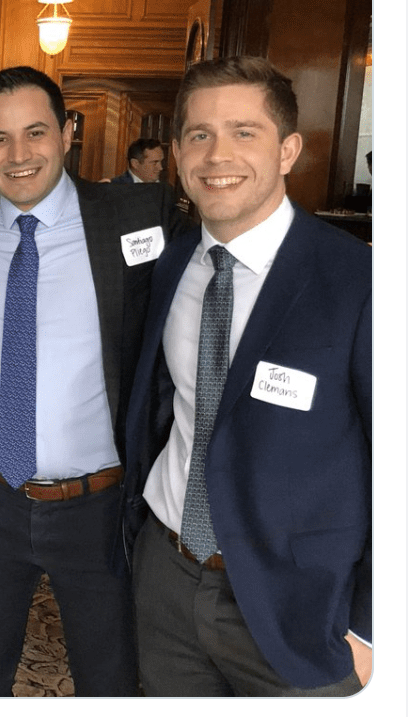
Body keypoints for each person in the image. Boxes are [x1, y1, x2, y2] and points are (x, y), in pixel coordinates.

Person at [0, 65, 179, 696]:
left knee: (110, 682)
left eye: (35, 132)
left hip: (99, 507)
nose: (18, 155)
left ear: (68, 133)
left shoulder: (134, 221)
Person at [123, 56, 371, 695]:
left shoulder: (359, 283)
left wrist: (373, 623)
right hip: (167, 575)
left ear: (288, 150)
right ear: (177, 153)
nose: (217, 154)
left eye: (244, 132)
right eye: (199, 135)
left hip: (301, 608)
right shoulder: (174, 262)